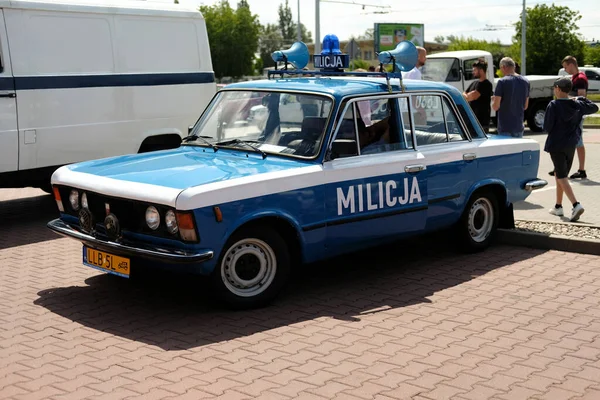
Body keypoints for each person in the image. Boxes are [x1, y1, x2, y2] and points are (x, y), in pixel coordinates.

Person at [543, 77, 598, 222]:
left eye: (555, 88)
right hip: (571, 144)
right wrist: (580, 98)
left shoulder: (553, 105)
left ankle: (576, 204)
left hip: (556, 145)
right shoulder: (577, 104)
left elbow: (547, 127)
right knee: (560, 174)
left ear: (558, 89)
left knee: (561, 176)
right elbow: (594, 107)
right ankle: (558, 206)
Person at [549, 55, 589, 179]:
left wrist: (565, 99)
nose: (565, 70)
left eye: (566, 67)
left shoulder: (580, 79)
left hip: (575, 114)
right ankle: (560, 166)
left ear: (571, 64)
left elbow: (581, 97)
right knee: (573, 140)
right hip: (572, 113)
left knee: (578, 142)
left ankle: (581, 170)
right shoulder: (576, 77)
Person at [491, 57, 530, 138]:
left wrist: (492, 101)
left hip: (505, 127)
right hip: (519, 126)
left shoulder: (502, 82)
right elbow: (525, 106)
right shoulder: (525, 81)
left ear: (504, 67)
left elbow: (495, 107)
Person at [462, 59, 493, 132]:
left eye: (475, 70)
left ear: (481, 70)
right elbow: (463, 94)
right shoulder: (474, 83)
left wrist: (467, 96)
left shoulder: (486, 84)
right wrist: (467, 96)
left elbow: (473, 96)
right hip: (471, 121)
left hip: (482, 123)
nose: (473, 72)